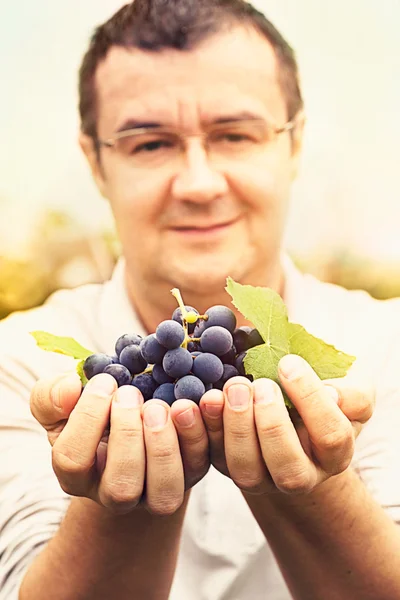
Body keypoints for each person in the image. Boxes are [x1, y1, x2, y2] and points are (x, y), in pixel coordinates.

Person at [1, 1, 400, 598]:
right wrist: (121, 503)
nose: (198, 184)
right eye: (150, 144)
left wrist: (315, 487)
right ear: (97, 163)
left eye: (234, 135)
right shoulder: (20, 365)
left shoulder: (386, 350)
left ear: (294, 145)